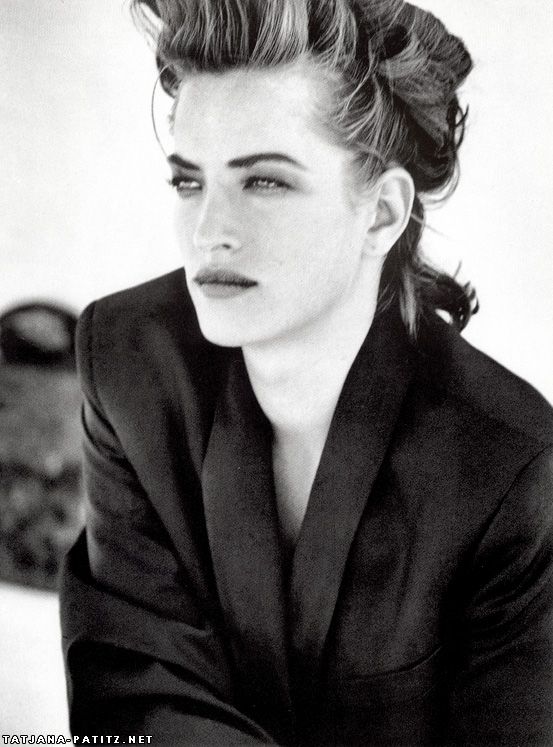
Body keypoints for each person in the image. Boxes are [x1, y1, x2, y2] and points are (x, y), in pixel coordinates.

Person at [60, 0, 553, 743]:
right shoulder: (128, 362)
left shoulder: (509, 467)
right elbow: (133, 703)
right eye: (189, 182)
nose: (208, 233)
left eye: (264, 182)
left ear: (381, 213)